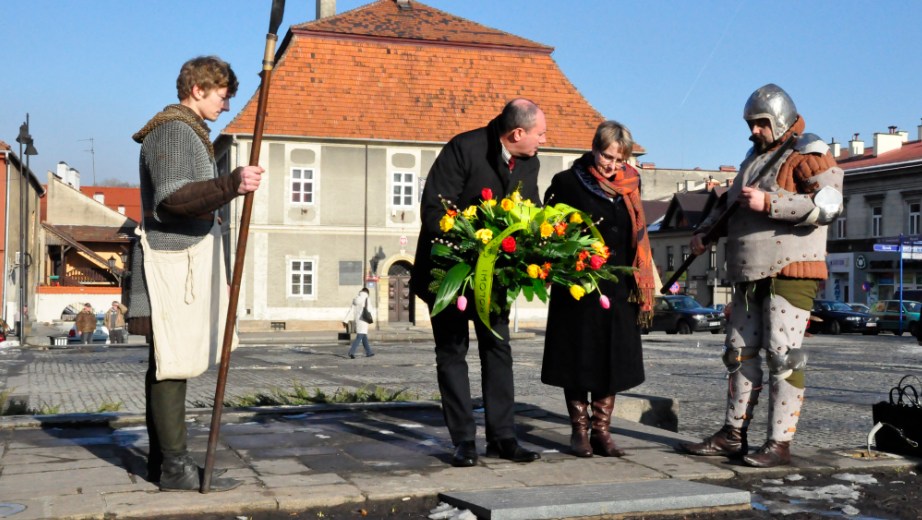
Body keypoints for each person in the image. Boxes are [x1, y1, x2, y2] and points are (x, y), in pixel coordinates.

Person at [678, 84, 844, 468]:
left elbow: (829, 205)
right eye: (751, 123)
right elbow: (729, 207)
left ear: (780, 119)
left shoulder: (809, 151)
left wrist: (770, 202)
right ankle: (732, 435)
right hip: (747, 272)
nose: (753, 130)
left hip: (790, 270)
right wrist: (705, 232)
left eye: (760, 123)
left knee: (783, 357)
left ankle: (778, 444)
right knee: (738, 355)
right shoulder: (752, 159)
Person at [127, 56, 263, 492]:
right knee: (172, 363)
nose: (226, 104)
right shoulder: (172, 130)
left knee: (169, 363)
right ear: (198, 89)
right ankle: (175, 467)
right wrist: (231, 184)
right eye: (222, 95)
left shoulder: (190, 131)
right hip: (172, 263)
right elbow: (172, 199)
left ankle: (163, 463)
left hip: (184, 261)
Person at [411, 98, 547, 467]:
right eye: (539, 133)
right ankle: (464, 441)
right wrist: (471, 244)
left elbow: (530, 210)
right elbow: (435, 208)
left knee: (498, 349)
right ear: (516, 133)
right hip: (448, 273)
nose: (543, 140)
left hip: (495, 276)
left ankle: (503, 438)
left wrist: (538, 248)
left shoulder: (530, 161)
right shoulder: (464, 148)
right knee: (452, 352)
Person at [542, 121, 655, 458]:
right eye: (607, 157)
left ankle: (602, 430)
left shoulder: (631, 184)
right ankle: (579, 430)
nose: (612, 166)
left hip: (619, 287)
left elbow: (635, 235)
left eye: (620, 160)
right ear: (594, 149)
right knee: (577, 358)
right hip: (578, 288)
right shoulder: (567, 182)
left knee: (612, 359)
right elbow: (549, 231)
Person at [346, 288, 375, 358]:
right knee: (359, 337)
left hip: (357, 320)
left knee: (364, 336)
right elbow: (370, 309)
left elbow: (351, 310)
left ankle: (369, 352)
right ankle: (351, 352)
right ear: (367, 293)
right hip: (364, 320)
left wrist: (345, 320)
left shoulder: (356, 299)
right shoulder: (367, 298)